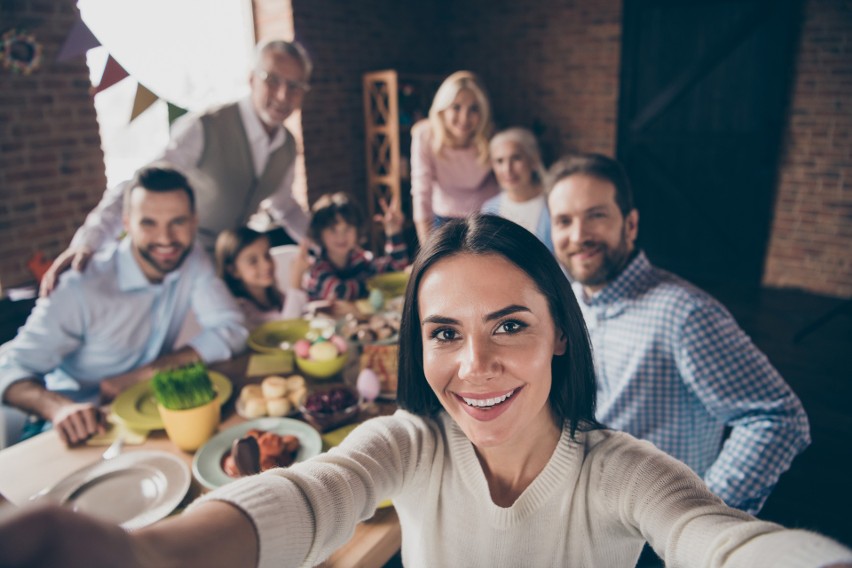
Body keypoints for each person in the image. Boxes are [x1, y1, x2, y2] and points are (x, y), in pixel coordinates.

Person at [1, 214, 851, 568]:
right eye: (445, 332)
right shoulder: (409, 441)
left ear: (561, 331)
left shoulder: (623, 471)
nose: (472, 365)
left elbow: (726, 543)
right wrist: (151, 557)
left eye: (510, 325)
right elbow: (310, 493)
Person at [546, 153, 811, 515]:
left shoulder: (685, 314)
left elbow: (779, 419)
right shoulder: (569, 304)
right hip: (590, 512)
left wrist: (701, 515)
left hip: (655, 526)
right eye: (564, 221)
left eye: (597, 215)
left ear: (631, 224)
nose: (579, 236)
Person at [39, 39, 314, 296]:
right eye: (273, 80)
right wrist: (87, 242)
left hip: (229, 267)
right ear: (252, 78)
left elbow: (284, 205)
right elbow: (140, 186)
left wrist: (322, 242)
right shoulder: (205, 126)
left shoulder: (288, 145)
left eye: (295, 86)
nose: (283, 95)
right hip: (179, 266)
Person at [0, 166, 247, 447]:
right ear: (127, 224)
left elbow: (232, 329)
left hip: (151, 418)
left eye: (177, 222)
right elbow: (8, 369)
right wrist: (59, 408)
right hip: (77, 430)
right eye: (149, 223)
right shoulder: (78, 286)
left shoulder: (193, 257)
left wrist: (141, 375)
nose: (166, 239)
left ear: (194, 222)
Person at [410, 70, 500, 245]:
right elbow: (422, 191)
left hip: (486, 221)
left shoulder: (491, 136)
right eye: (456, 107)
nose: (464, 118)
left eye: (474, 109)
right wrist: (426, 247)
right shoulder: (425, 135)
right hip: (443, 220)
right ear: (443, 109)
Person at [301, 192, 409, 302]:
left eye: (347, 229)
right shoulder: (316, 270)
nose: (341, 236)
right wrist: (373, 282)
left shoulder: (360, 259)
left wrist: (394, 233)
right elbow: (340, 292)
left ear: (357, 231)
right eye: (333, 230)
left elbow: (395, 270)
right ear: (320, 234)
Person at [215, 226, 309, 329]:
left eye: (267, 255)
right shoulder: (240, 309)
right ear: (233, 270)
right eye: (253, 261)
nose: (266, 265)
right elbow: (284, 331)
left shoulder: (275, 296)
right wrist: (296, 283)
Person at [481, 127, 553, 251]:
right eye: (499, 161)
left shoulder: (552, 205)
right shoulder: (488, 208)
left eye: (516, 158)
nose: (507, 169)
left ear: (534, 161)